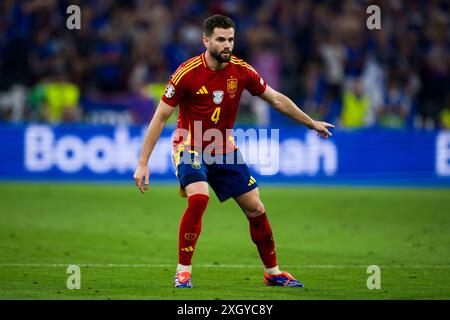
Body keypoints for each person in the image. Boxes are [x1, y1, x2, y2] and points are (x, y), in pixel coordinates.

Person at [133, 15, 334, 288]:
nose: (227, 45)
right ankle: (183, 271)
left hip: (223, 148)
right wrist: (143, 162)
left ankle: (273, 272)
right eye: (220, 39)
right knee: (199, 197)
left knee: (256, 208)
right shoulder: (186, 73)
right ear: (206, 41)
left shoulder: (241, 71)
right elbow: (160, 117)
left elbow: (275, 99)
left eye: (230, 39)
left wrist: (311, 122)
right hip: (189, 145)